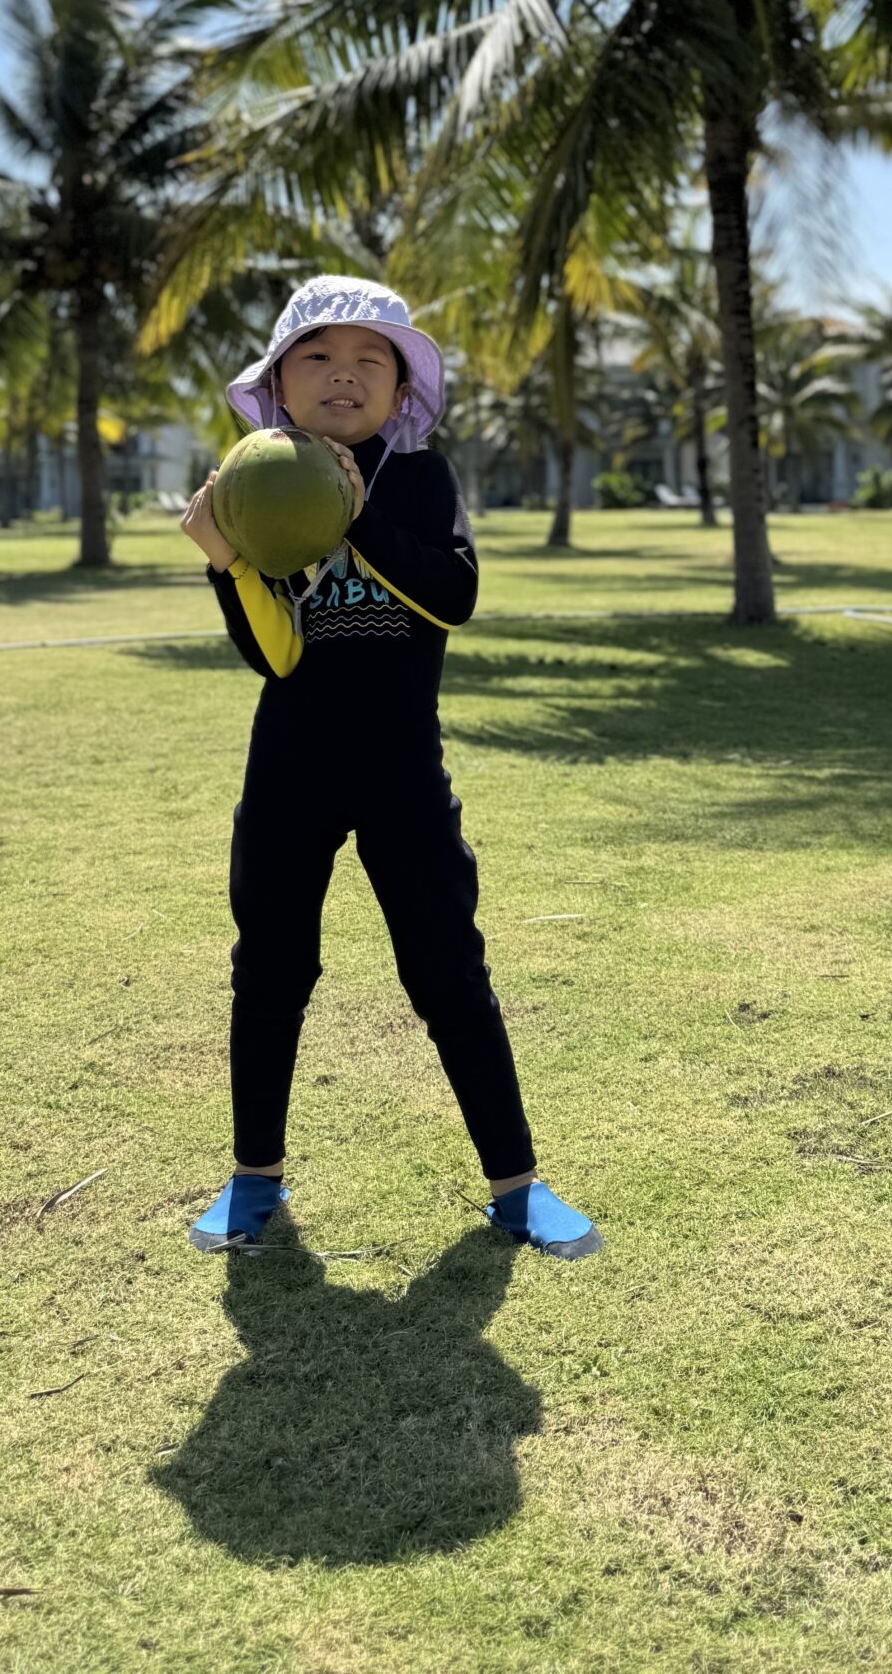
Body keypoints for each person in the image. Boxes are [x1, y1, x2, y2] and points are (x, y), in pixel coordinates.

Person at [178, 275, 604, 1262]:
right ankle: (254, 1178)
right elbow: (273, 657)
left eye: (372, 358)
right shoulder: (257, 480)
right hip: (290, 765)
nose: (345, 374)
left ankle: (516, 1185)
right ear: (278, 383)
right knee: (271, 969)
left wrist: (358, 516)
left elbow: (452, 598)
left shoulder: (420, 479)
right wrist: (227, 563)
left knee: (450, 970)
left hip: (402, 766)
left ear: (399, 387)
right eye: (319, 356)